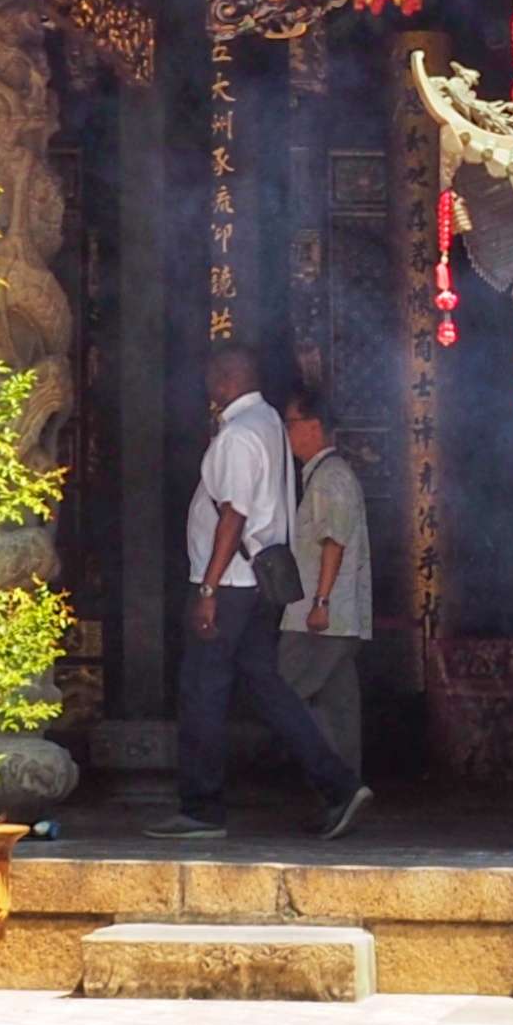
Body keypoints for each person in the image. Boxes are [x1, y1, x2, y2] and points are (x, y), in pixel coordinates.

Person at [147, 346, 368, 843]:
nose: (206, 386)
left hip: (227, 585)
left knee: (202, 691)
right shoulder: (268, 420)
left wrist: (207, 586)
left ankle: (201, 808)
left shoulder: (239, 435)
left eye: (210, 376)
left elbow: (234, 514)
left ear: (225, 380)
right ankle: (338, 784)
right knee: (268, 689)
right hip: (250, 586)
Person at [277, 383, 373, 787]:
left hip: (319, 619)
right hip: (335, 618)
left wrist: (320, 602)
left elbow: (333, 543)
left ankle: (335, 787)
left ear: (314, 426)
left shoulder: (329, 478)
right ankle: (344, 791)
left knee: (281, 693)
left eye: (291, 422)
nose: (287, 431)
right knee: (338, 709)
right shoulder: (324, 475)